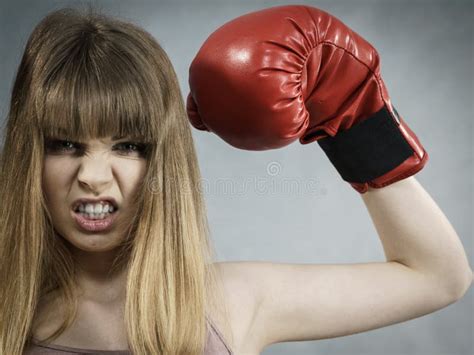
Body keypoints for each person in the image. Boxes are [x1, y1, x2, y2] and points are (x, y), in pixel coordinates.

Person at [0, 4, 471, 355]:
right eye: (65, 144)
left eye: (128, 146)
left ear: (163, 160)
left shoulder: (230, 304)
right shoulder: (8, 313)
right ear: (27, 156)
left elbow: (438, 276)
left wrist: (355, 115)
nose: (94, 177)